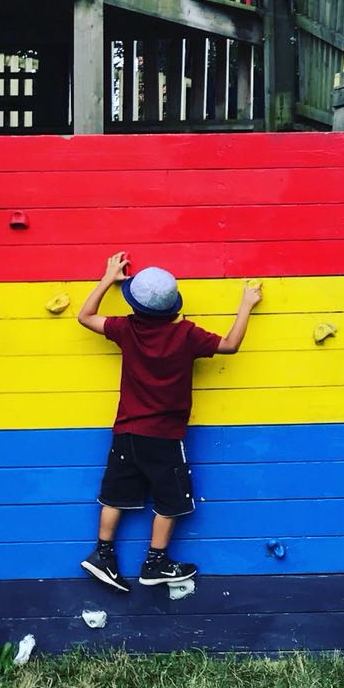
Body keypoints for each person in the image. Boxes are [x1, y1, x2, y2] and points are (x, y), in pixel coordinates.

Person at [77, 252, 261, 590]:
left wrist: (107, 277)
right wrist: (246, 304)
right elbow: (230, 344)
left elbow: (85, 316)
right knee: (171, 500)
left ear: (135, 305)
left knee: (115, 495)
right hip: (164, 437)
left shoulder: (127, 329)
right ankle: (155, 562)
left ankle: (102, 554)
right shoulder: (186, 335)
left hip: (127, 431)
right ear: (173, 306)